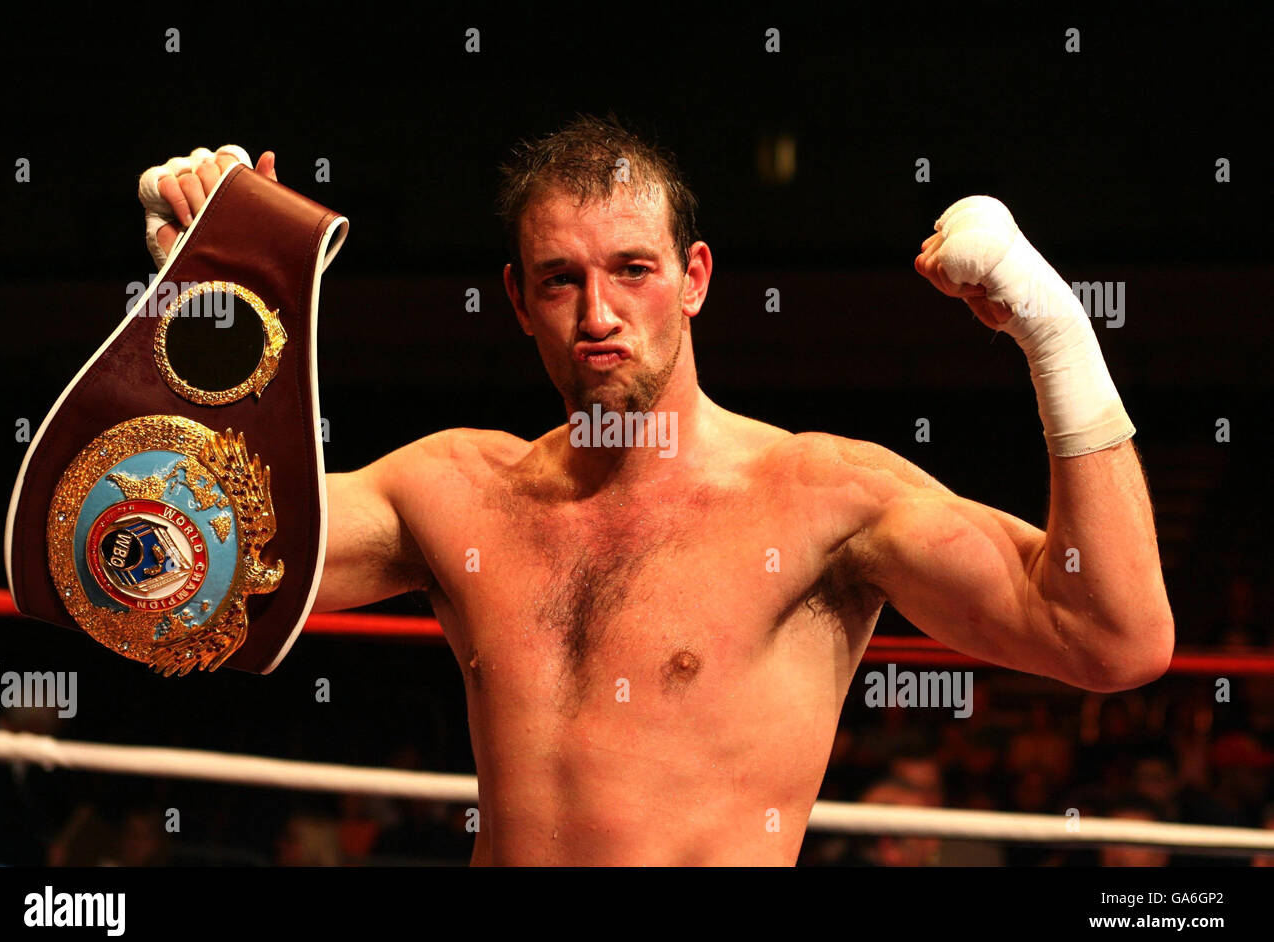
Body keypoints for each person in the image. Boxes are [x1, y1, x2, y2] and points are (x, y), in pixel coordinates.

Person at [143, 115, 1174, 865]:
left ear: (695, 278)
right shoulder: (453, 488)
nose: (599, 312)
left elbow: (1110, 635)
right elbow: (173, 563)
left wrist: (1053, 327)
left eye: (631, 269)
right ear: (517, 301)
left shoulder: (821, 496)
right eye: (560, 279)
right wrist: (209, 300)